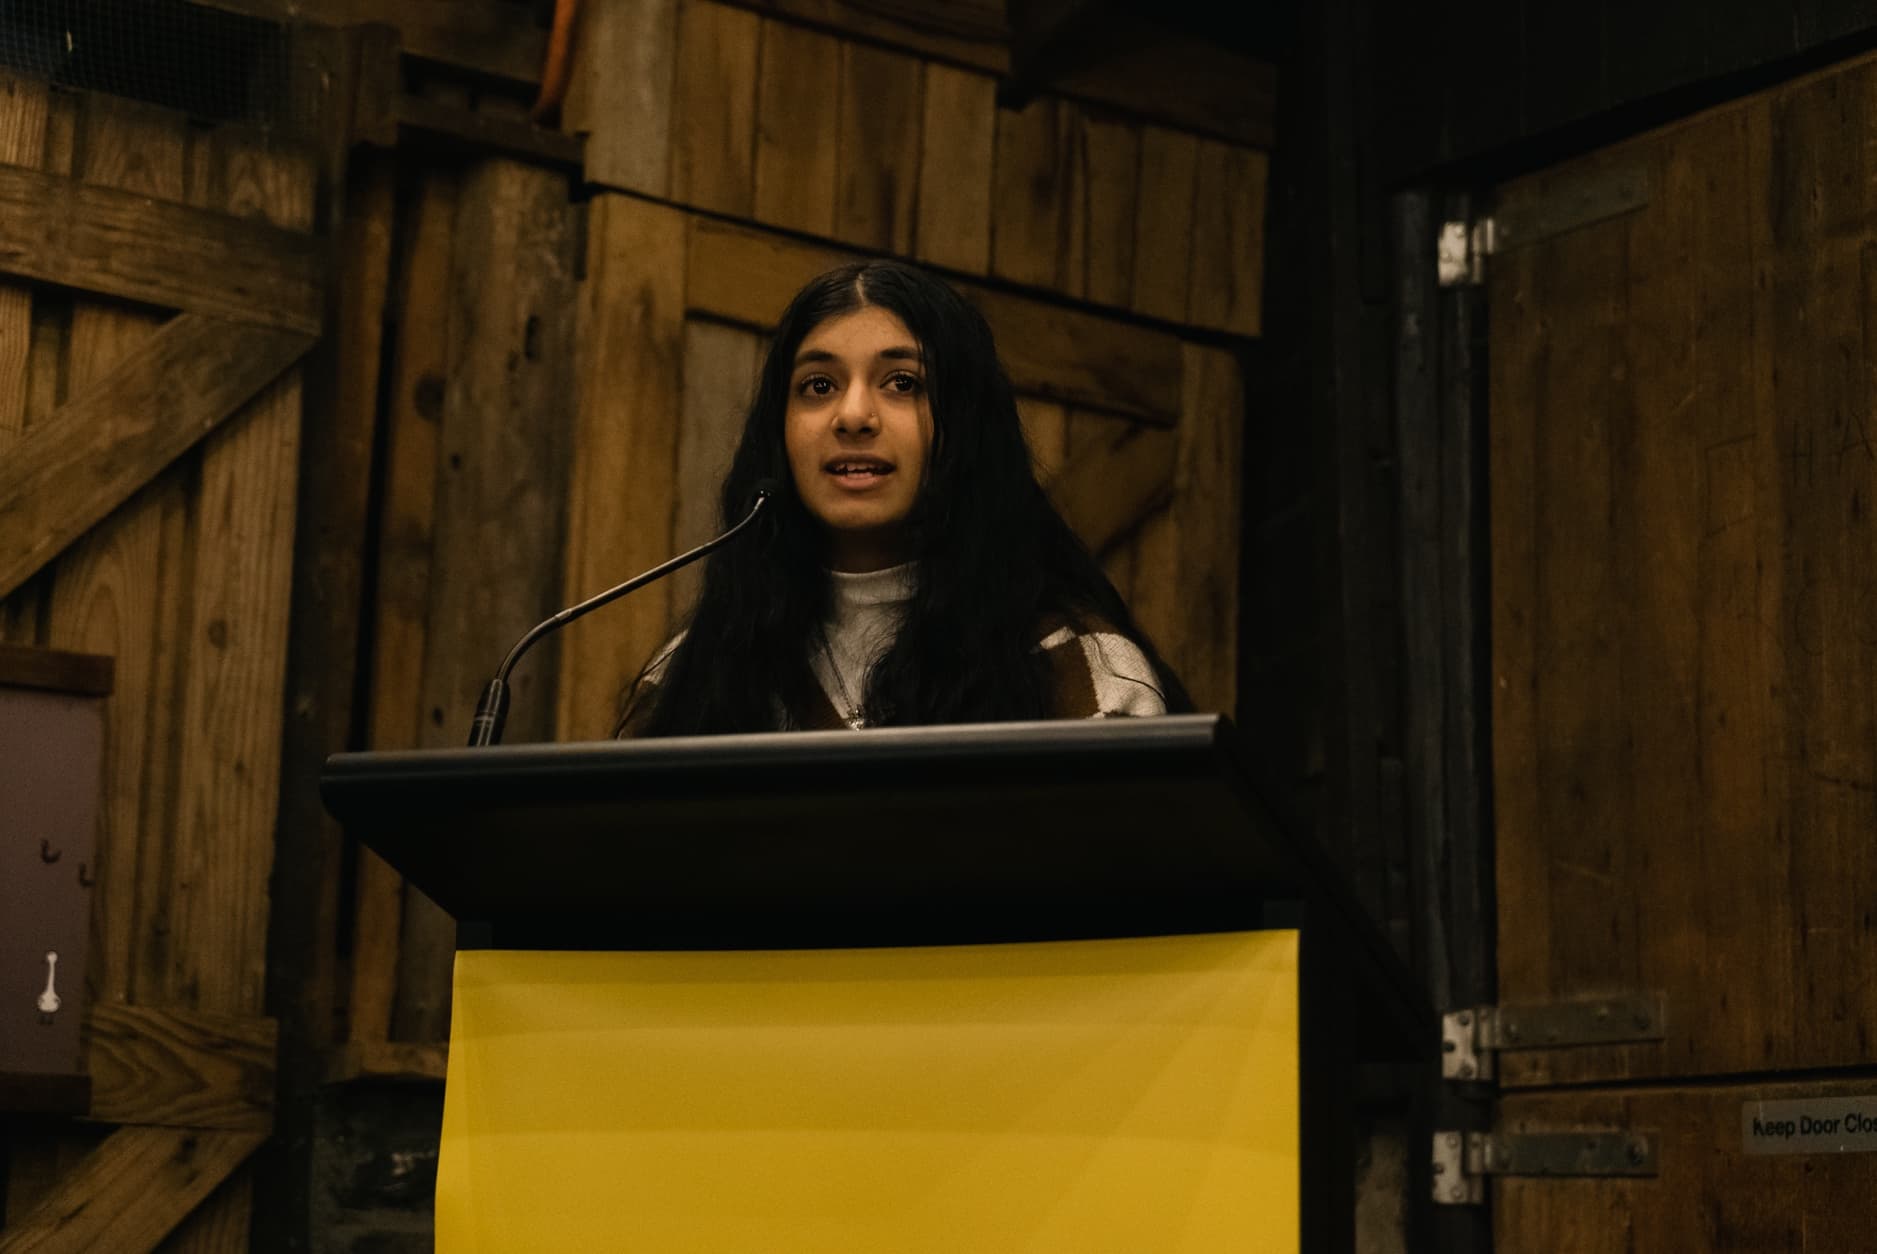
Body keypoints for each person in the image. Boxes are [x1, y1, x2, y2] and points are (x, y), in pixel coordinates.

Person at [617, 258, 1190, 736]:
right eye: (819, 386)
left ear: (964, 429)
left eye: (903, 383)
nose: (854, 416)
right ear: (778, 431)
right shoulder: (690, 678)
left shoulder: (1076, 666)